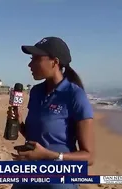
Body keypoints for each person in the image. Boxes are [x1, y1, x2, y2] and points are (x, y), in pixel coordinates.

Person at [9, 37, 94, 189]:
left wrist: (50, 156)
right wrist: (19, 123)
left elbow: (89, 157)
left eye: (36, 59)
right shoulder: (36, 92)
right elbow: (37, 136)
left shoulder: (74, 95)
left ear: (54, 62)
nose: (30, 64)